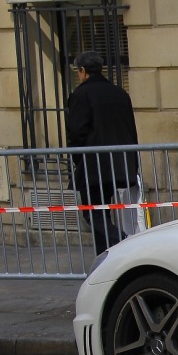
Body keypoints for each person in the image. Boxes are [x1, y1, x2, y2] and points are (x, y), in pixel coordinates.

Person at [66, 50, 139, 256]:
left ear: (82, 71)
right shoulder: (119, 93)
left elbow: (76, 132)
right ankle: (105, 256)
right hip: (119, 162)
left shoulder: (81, 94)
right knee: (102, 210)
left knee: (92, 212)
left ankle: (123, 242)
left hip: (93, 165)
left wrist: (78, 161)